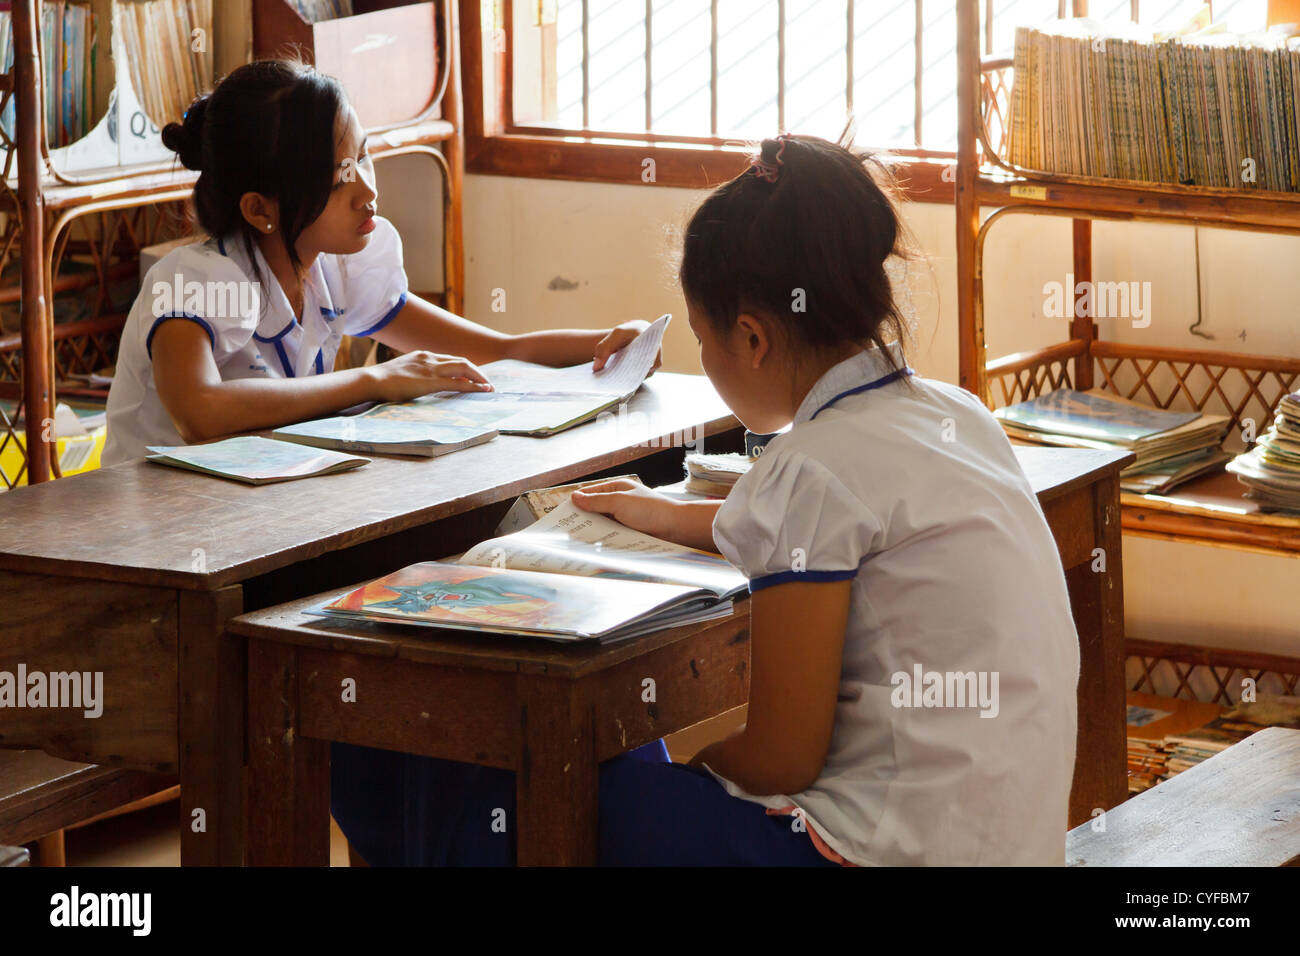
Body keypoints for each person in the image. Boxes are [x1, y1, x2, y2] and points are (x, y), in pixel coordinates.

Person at [332, 133, 1080, 866]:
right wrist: (659, 513)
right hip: (1007, 840)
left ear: (752, 337)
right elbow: (824, 525)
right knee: (612, 768)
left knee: (554, 785)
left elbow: (781, 756)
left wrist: (697, 777)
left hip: (869, 852)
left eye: (701, 336)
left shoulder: (812, 469)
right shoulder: (954, 415)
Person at [103, 59, 657, 465]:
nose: (367, 190)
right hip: (154, 539)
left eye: (363, 155)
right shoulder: (194, 282)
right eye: (339, 174)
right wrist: (373, 380)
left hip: (250, 515)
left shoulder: (335, 270)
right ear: (259, 208)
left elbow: (499, 351)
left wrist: (614, 345)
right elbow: (198, 413)